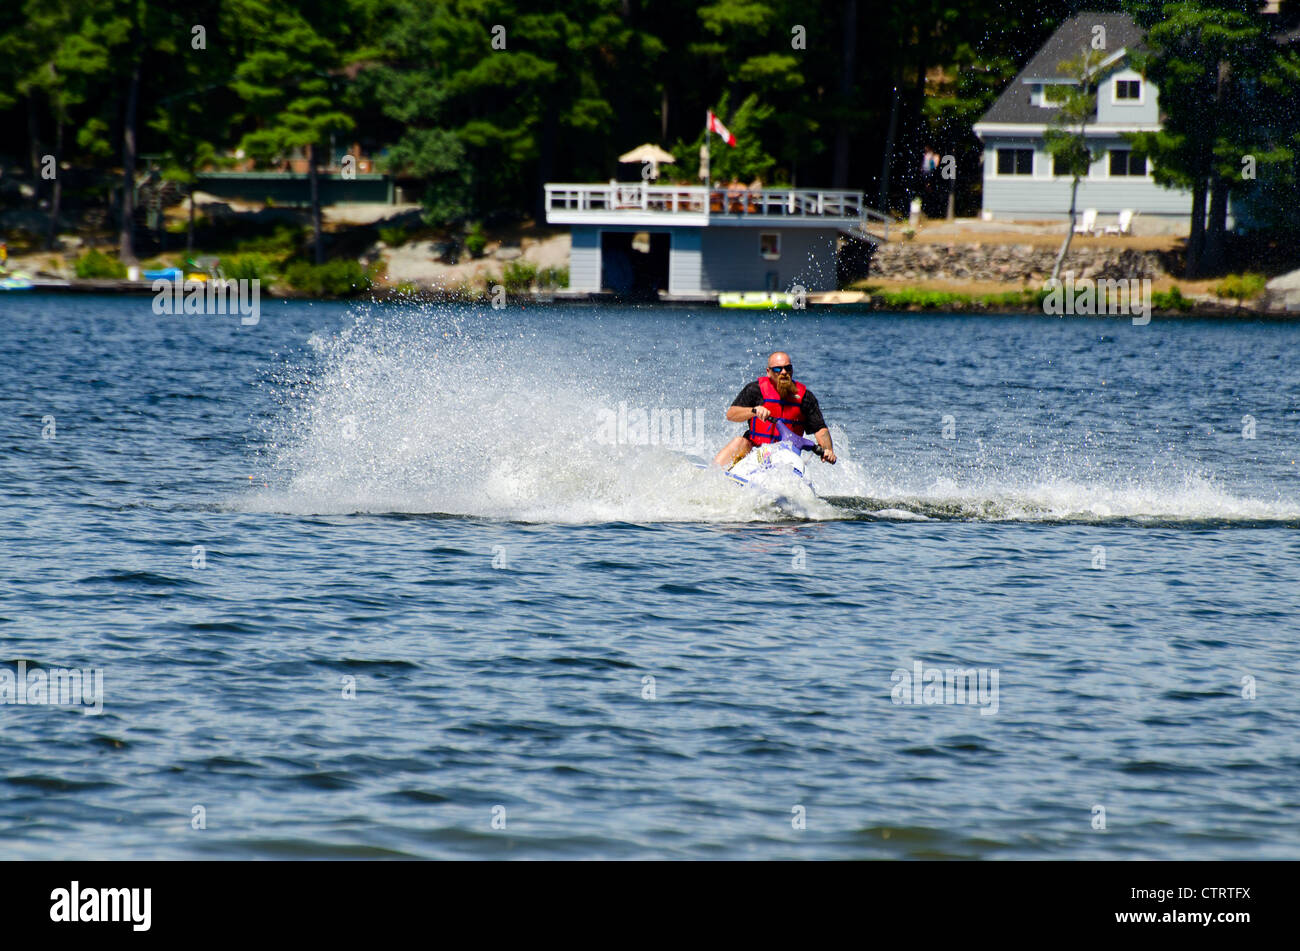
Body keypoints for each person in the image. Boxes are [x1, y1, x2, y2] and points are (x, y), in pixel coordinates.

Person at [712, 351, 837, 468]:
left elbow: (820, 429)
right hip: (755, 451)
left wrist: (828, 450)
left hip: (786, 456)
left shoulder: (805, 398)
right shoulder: (755, 390)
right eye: (778, 369)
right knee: (740, 442)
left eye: (787, 368)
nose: (783, 372)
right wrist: (754, 410)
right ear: (768, 371)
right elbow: (731, 414)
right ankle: (711, 473)